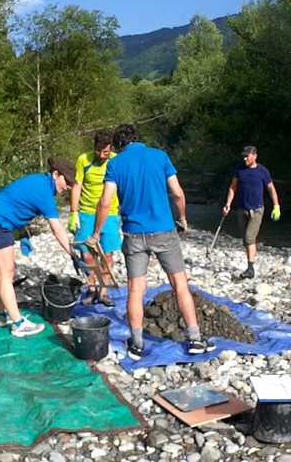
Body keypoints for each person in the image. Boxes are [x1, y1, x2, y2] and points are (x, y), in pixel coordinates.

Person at [88, 124, 215, 360]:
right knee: (180, 285)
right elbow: (177, 193)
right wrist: (183, 218)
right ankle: (195, 339)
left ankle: (136, 344)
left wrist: (96, 233)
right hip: (164, 230)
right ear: (137, 139)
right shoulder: (160, 156)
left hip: (134, 235)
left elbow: (105, 202)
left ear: (118, 145)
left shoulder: (115, 164)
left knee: (136, 290)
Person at [0, 157, 87, 337]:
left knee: (1, 272)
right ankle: (18, 324)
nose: (68, 187)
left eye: (71, 183)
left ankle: (2, 315)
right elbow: (57, 228)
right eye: (66, 181)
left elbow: (18, 202)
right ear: (56, 174)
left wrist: (22, 233)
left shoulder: (40, 182)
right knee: (7, 273)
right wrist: (72, 254)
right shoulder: (44, 192)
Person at [68, 130, 121, 307]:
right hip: (87, 212)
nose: (101, 155)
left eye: (105, 151)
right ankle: (91, 289)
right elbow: (77, 186)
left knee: (107, 255)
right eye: (98, 151)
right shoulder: (84, 160)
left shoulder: (116, 160)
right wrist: (73, 212)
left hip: (110, 213)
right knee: (87, 255)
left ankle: (103, 292)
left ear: (111, 149)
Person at [221, 145, 281, 279]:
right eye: (244, 156)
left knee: (249, 238)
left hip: (257, 209)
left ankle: (250, 268)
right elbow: (232, 187)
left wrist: (276, 205)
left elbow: (271, 189)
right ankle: (251, 263)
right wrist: (228, 204)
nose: (245, 158)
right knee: (246, 240)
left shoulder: (262, 171)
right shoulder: (239, 170)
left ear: (255, 156)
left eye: (247, 156)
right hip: (241, 209)